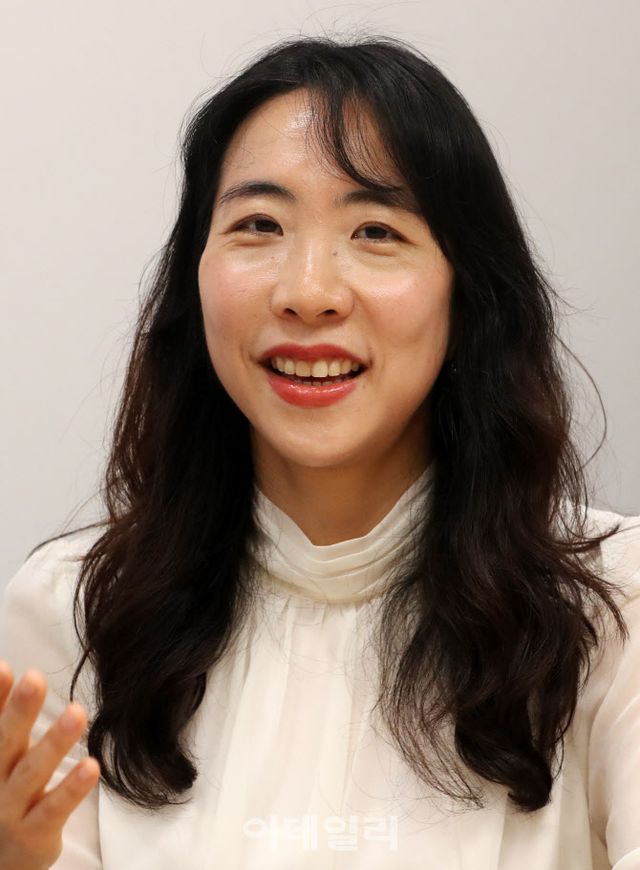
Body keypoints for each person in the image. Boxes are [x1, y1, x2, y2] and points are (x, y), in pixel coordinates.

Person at [0, 33, 638, 870]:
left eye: (375, 230)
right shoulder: (76, 612)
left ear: (468, 289)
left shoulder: (613, 608)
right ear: (195, 278)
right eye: (258, 225)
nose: (308, 293)